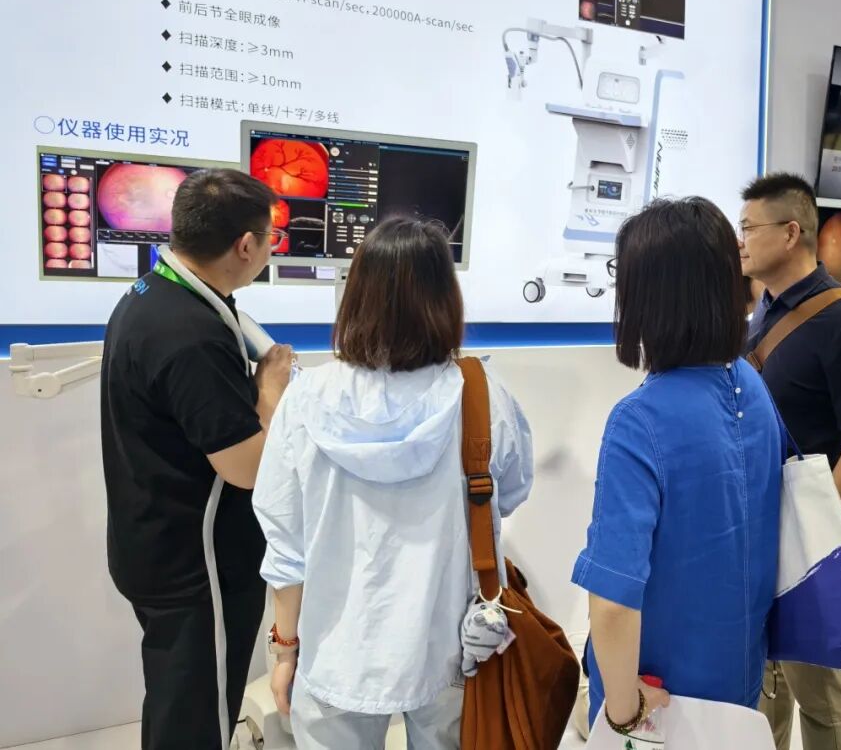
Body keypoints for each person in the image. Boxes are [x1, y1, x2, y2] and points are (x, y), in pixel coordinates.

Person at [252, 217, 534, 750]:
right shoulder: (481, 394)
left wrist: (285, 649)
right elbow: (512, 494)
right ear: (445, 300)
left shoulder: (306, 399)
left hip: (334, 655)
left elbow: (286, 546)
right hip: (450, 649)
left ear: (356, 296)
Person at [572, 196, 782, 735]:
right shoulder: (752, 387)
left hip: (660, 698)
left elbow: (613, 601)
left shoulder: (639, 421)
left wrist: (623, 709)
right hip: (737, 685)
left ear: (650, 297)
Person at [100, 169, 294, 750]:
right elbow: (246, 468)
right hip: (196, 566)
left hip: (153, 542)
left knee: (178, 699)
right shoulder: (191, 335)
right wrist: (271, 391)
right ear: (245, 245)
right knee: (198, 719)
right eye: (271, 238)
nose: (271, 248)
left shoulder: (153, 293)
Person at [738, 173, 841, 750]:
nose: (742, 240)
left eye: (750, 227)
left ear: (790, 232)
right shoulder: (763, 311)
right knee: (764, 688)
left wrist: (819, 533)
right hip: (758, 528)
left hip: (807, 542)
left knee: (819, 695)